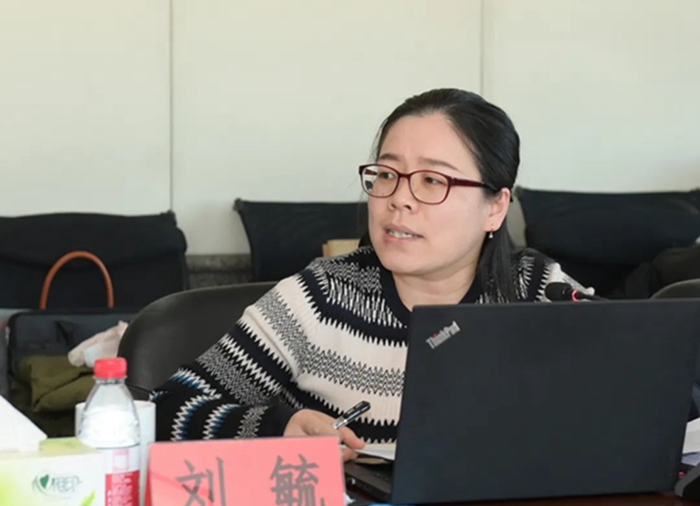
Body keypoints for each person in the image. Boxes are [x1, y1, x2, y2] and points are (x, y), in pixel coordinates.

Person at [151, 88, 584, 459]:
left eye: (432, 181)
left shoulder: (539, 290)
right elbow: (164, 412)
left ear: (495, 207)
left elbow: (615, 408)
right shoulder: (321, 297)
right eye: (388, 174)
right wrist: (275, 428)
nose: (399, 199)